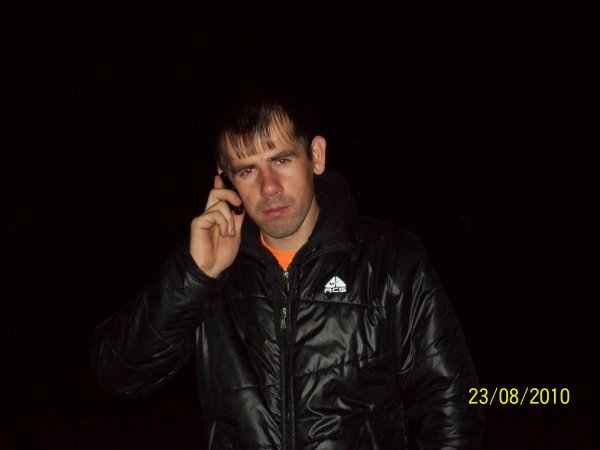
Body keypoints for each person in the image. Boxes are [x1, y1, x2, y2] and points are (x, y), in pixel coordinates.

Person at [92, 100, 484, 449]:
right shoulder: (209, 267)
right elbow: (118, 375)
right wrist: (194, 277)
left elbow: (451, 403)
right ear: (224, 179)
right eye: (248, 169)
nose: (268, 187)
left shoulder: (389, 257)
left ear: (316, 155)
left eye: (281, 160)